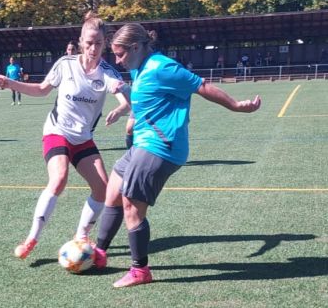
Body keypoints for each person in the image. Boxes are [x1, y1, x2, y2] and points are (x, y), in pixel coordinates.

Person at [95, 23, 261, 288]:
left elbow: (201, 86)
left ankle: (140, 271)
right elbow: (147, 101)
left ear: (136, 47)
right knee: (113, 192)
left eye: (120, 54)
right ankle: (99, 252)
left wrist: (236, 106)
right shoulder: (139, 68)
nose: (117, 60)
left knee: (131, 205)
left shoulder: (162, 67)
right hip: (142, 144)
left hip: (161, 147)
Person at [0, 12, 130, 265]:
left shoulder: (107, 72)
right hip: (57, 131)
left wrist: (121, 109)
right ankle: (31, 239)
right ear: (80, 41)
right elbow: (43, 90)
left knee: (103, 188)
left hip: (83, 138)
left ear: (104, 43)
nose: (93, 48)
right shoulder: (65, 64)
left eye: (98, 43)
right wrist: (10, 83)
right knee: (59, 178)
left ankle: (81, 236)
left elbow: (124, 97)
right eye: (89, 42)